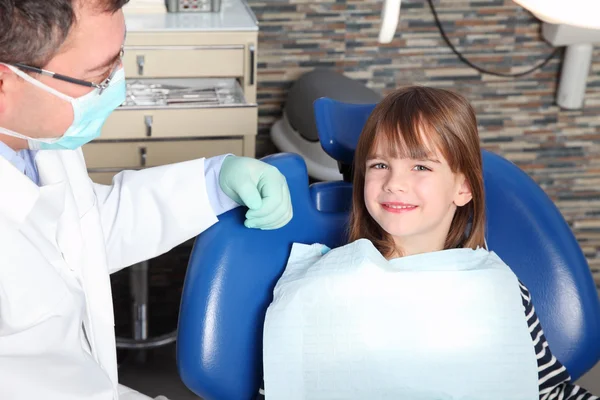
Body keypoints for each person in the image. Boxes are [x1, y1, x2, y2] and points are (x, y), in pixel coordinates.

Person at [0, 1, 292, 399]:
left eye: (119, 59)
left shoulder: (33, 139)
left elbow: (82, 233)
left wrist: (212, 182)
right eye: (98, 78)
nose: (117, 90)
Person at [257, 86, 597, 400]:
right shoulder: (319, 288)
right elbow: (284, 382)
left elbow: (549, 391)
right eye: (379, 164)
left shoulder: (496, 288)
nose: (395, 183)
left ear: (463, 187)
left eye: (420, 165)